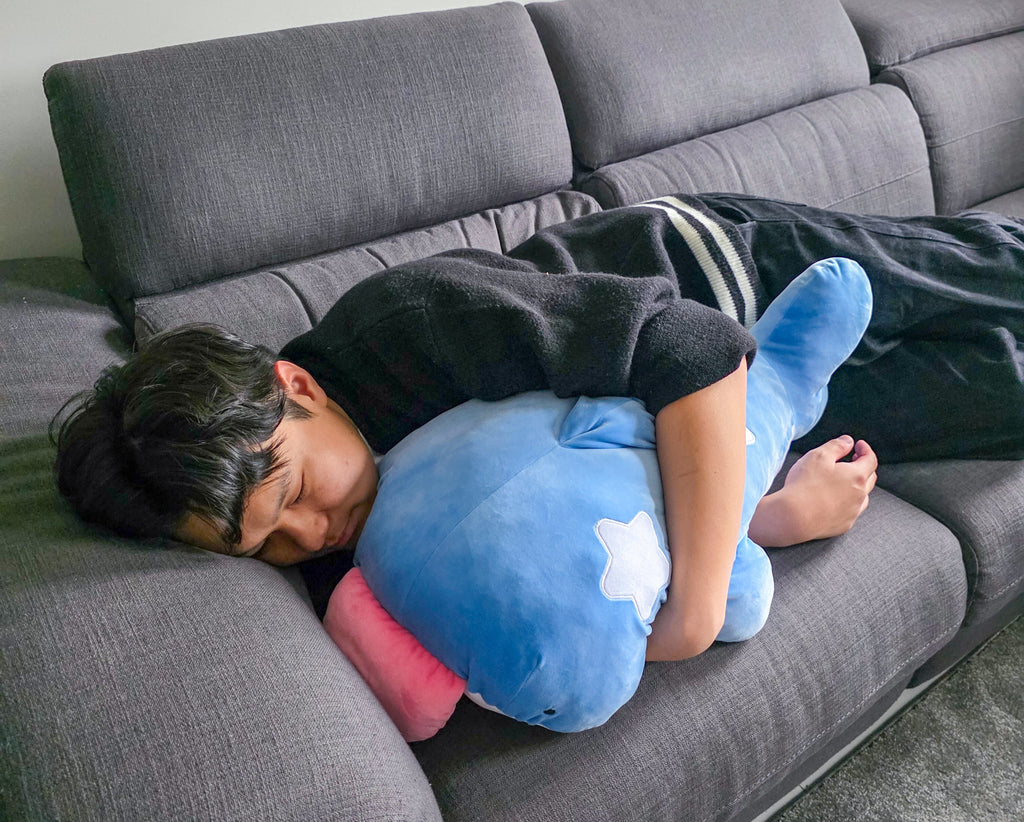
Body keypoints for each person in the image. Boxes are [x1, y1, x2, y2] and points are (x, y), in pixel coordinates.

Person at [50, 193, 1024, 661]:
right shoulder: (338, 557)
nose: (313, 534)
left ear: (295, 384)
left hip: (725, 274)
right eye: (266, 544)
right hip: (758, 412)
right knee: (1000, 397)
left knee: (989, 272)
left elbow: (692, 348)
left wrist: (695, 609)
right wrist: (769, 519)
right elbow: (590, 523)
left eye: (295, 491)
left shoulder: (413, 325)